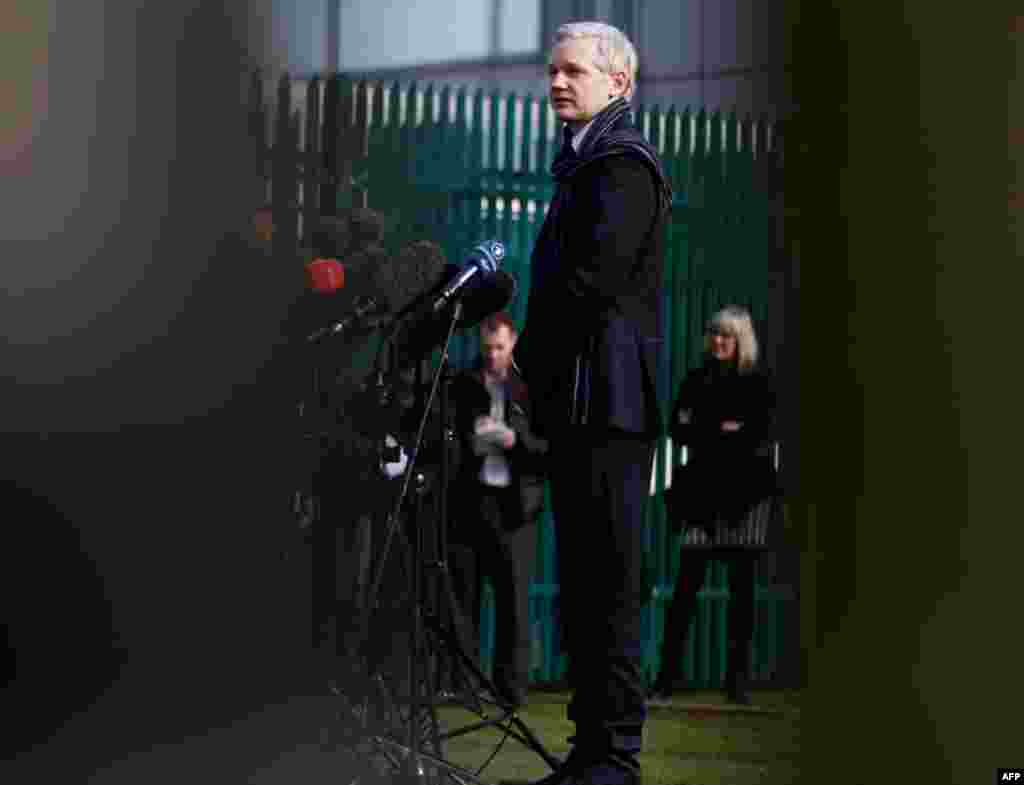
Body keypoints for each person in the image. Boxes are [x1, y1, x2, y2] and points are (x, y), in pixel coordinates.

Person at [513, 21, 673, 785]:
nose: (557, 82)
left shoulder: (623, 165)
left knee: (607, 586)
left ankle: (614, 758)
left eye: (574, 70)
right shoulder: (584, 165)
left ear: (618, 82)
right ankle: (590, 752)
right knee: (584, 588)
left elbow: (587, 286)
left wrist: (528, 361)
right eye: (553, 70)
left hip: (608, 408)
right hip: (585, 405)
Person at [650, 305, 778, 706]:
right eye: (714, 333)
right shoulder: (695, 380)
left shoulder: (757, 383)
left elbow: (759, 435)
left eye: (727, 334)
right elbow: (681, 428)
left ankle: (737, 685)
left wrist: (717, 432)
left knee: (742, 594)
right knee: (685, 590)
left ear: (742, 340)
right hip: (701, 498)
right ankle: (667, 681)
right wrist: (723, 431)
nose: (719, 341)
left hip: (746, 499)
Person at [447, 312, 549, 708]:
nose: (492, 356)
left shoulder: (530, 389)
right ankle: (467, 687)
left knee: (514, 603)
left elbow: (546, 450)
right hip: (472, 503)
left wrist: (511, 440)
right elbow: (449, 438)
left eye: (500, 348)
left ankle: (511, 690)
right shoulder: (464, 386)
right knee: (465, 599)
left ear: (513, 343)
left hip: (514, 507)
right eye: (487, 348)